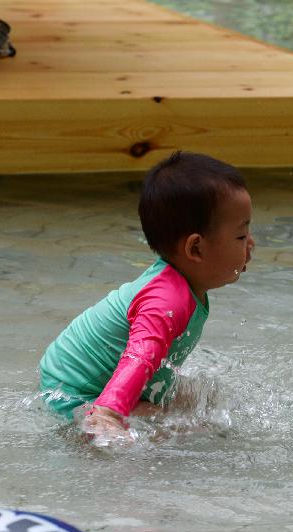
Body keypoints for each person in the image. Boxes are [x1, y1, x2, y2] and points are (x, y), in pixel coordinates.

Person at [39, 151, 254, 441]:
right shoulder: (167, 299)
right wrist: (109, 413)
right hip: (77, 394)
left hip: (88, 380)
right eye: (241, 236)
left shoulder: (182, 283)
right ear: (196, 249)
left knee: (209, 401)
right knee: (189, 429)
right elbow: (140, 356)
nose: (251, 244)